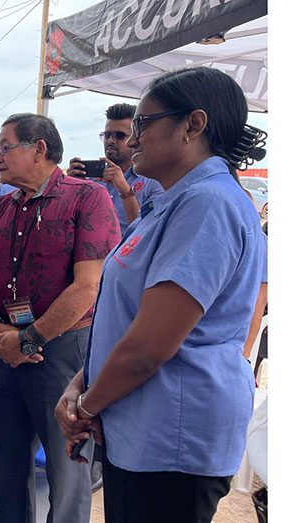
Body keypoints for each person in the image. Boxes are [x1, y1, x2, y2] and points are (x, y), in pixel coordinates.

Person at [54, 67, 268, 523]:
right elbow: (123, 315)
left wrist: (87, 407)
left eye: (143, 124)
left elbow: (149, 346)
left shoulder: (209, 204)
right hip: (139, 423)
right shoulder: (171, 201)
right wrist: (81, 386)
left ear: (193, 125)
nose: (132, 141)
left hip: (173, 437)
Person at [0, 113, 121, 522]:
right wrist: (0, 332)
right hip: (3, 350)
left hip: (61, 351)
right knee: (5, 461)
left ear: (38, 149)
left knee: (66, 466)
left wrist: (30, 339)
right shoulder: (2, 206)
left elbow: (88, 286)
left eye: (5, 147)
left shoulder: (87, 198)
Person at [67, 103, 164, 236]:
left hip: (125, 254)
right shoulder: (89, 180)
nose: (111, 141)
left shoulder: (153, 181)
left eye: (119, 136)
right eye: (107, 135)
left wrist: (126, 192)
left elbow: (147, 234)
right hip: (88, 253)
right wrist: (69, 188)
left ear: (135, 138)